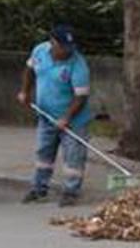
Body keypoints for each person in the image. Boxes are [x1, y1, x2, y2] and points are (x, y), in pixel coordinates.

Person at [16, 23, 92, 207]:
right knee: (43, 153)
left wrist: (66, 118)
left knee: (73, 158)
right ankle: (39, 189)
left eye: (70, 48)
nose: (67, 51)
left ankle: (71, 192)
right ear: (52, 43)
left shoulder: (78, 64)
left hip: (74, 120)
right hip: (46, 115)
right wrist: (25, 92)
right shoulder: (40, 51)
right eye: (63, 47)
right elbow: (29, 71)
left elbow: (80, 96)